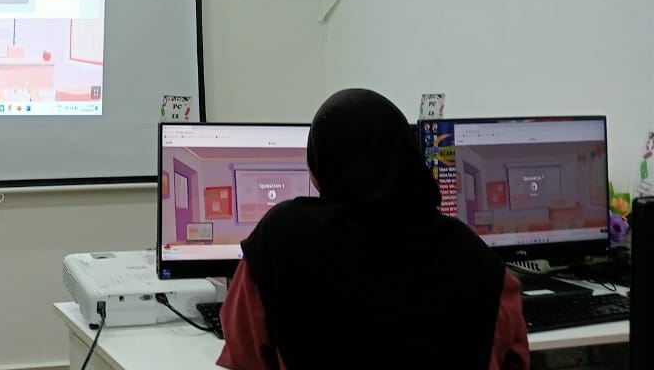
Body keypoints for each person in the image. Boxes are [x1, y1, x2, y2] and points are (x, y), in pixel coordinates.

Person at [217, 89, 529, 370]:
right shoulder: (476, 258)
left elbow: (245, 353)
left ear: (319, 165)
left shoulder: (281, 239)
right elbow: (513, 357)